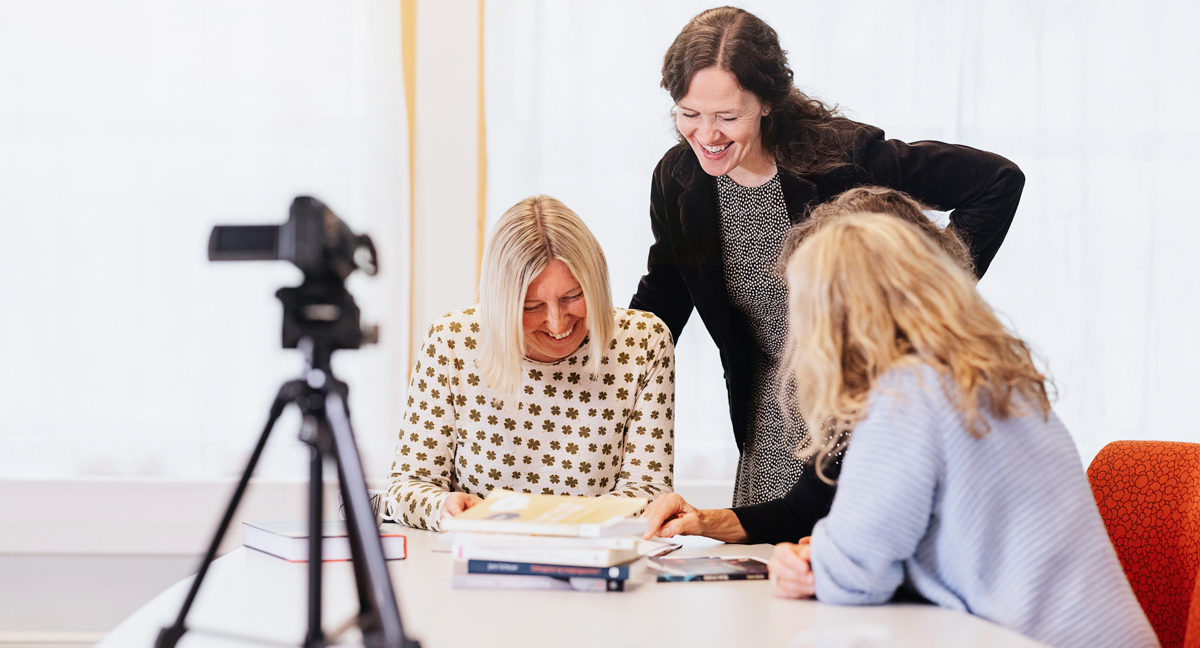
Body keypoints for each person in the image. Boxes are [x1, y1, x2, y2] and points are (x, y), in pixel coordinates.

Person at [629, 6, 1024, 516]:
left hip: (869, 411)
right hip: (768, 419)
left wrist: (932, 294)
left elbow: (995, 182)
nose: (707, 135)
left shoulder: (844, 157)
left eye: (728, 117)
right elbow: (664, 295)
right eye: (689, 114)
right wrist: (598, 364)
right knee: (766, 571)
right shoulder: (678, 178)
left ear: (767, 101)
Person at [764, 213, 1157, 648]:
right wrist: (829, 556)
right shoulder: (1002, 379)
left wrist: (807, 562)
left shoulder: (907, 393)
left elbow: (855, 576)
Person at [642, 186, 976, 544]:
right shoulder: (871, 389)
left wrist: (829, 563)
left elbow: (901, 550)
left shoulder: (919, 397)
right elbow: (804, 512)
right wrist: (701, 520)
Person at [384, 195, 676, 531]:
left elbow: (650, 492)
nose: (557, 323)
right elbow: (405, 487)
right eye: (531, 306)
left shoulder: (644, 341)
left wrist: (546, 526)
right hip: (479, 559)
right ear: (502, 303)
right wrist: (442, 506)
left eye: (573, 296)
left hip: (592, 560)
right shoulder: (451, 341)